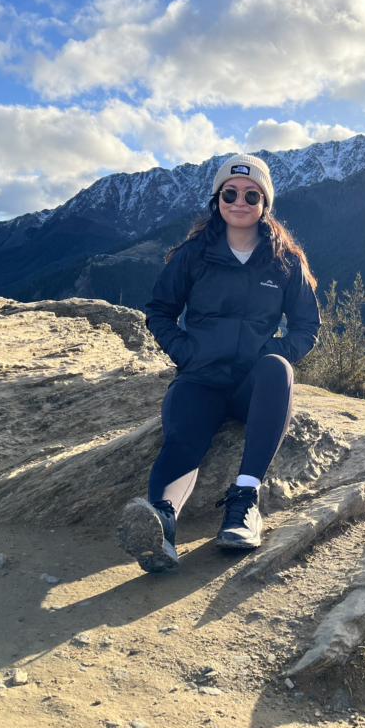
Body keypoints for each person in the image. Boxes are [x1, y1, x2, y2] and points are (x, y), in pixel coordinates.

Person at [115, 153, 320, 574]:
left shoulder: (284, 261)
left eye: (251, 194)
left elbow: (305, 326)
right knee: (181, 440)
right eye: (230, 193)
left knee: (278, 370)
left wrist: (271, 354)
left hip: (252, 387)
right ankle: (160, 525)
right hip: (200, 377)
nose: (239, 201)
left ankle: (244, 504)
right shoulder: (194, 255)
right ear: (217, 199)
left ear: (265, 203)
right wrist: (186, 352)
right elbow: (159, 311)